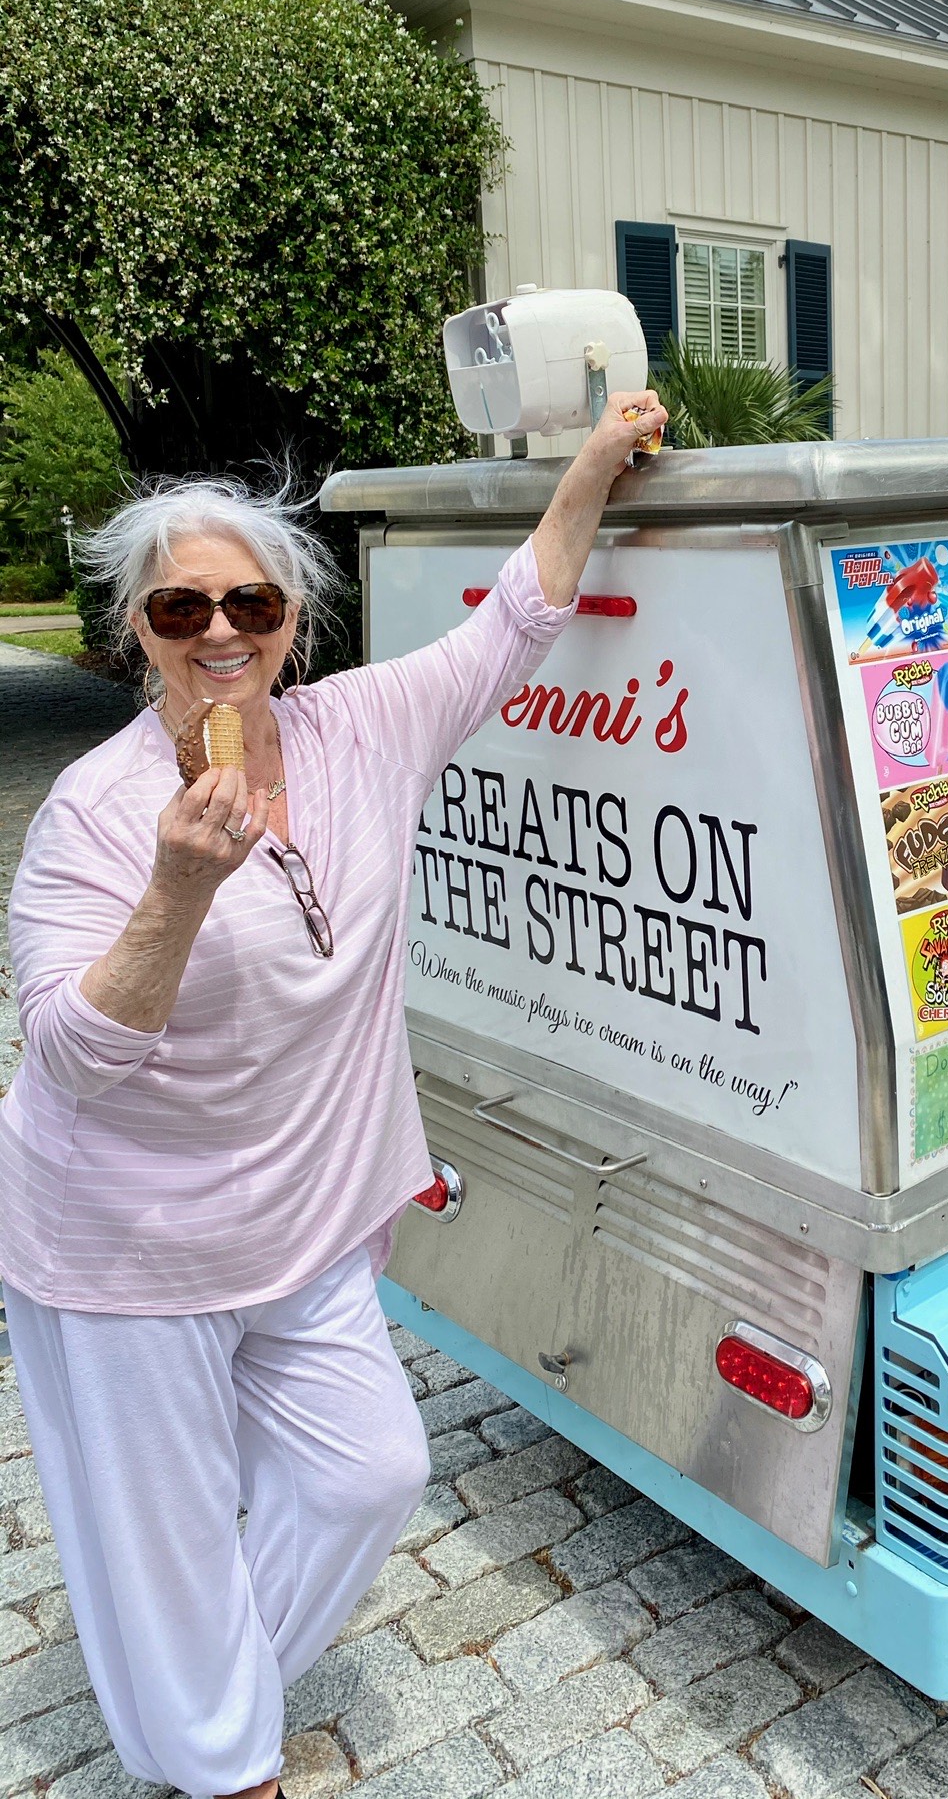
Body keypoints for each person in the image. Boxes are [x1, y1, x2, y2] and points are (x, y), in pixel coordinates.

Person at [0, 391, 665, 1799]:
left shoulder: (368, 731)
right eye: (182, 613)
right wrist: (181, 887)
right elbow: (66, 1051)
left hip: (302, 1225)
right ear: (136, 635)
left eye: (253, 603)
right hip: (128, 1248)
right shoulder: (98, 817)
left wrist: (594, 466)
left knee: (369, 1475)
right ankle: (227, 1764)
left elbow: (514, 622)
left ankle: (209, 1692)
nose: (222, 633)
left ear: (296, 622)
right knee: (163, 1539)